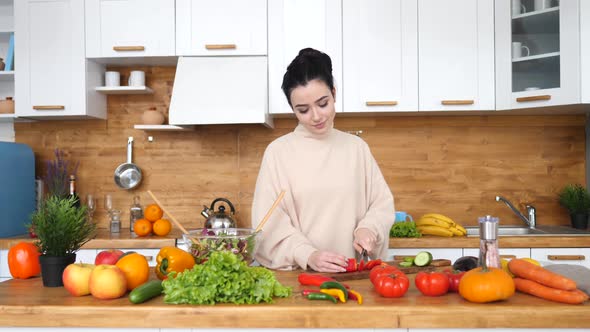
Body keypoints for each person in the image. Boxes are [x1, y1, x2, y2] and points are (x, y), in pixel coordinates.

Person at [251, 48, 395, 272]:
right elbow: (266, 228)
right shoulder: (278, 153)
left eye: (323, 103)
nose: (316, 116)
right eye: (303, 110)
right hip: (300, 282)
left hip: (355, 277)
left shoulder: (357, 149)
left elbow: (381, 205)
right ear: (292, 109)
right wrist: (308, 255)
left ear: (334, 94)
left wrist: (369, 228)